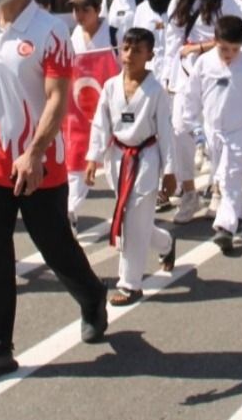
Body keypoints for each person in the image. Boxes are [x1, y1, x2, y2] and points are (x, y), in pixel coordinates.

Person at [0, 0, 107, 388]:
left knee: (54, 245)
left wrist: (36, 150)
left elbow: (58, 97)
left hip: (38, 163)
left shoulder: (49, 31)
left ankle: (92, 296)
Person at [84, 27, 177, 306]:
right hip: (118, 159)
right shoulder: (111, 86)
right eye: (126, 48)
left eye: (137, 50)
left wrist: (170, 171)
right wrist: (93, 157)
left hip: (146, 159)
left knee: (131, 223)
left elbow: (166, 131)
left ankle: (130, 284)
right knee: (135, 222)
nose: (129, 55)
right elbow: (101, 124)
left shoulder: (156, 91)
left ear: (149, 55)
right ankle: (165, 243)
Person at [182, 15, 242, 254]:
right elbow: (192, 95)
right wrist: (192, 124)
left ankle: (225, 228)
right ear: (215, 41)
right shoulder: (203, 63)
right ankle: (238, 212)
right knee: (220, 174)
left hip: (240, 131)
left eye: (235, 49)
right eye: (224, 48)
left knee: (229, 177)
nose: (229, 53)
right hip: (213, 131)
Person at [162, 0, 242, 224]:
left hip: (216, 74)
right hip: (183, 77)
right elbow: (171, 45)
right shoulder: (177, 3)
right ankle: (188, 192)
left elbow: (234, 36)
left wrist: (200, 46)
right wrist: (168, 77)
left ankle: (219, 190)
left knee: (215, 133)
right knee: (179, 131)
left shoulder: (225, 2)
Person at [67, 0, 116, 223]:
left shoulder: (114, 34)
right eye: (75, 10)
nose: (79, 15)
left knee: (116, 167)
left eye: (84, 10)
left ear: (97, 10)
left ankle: (129, 213)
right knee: (75, 163)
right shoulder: (72, 38)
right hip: (79, 113)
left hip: (111, 112)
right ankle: (70, 212)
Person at [131, 0, 176, 72]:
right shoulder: (142, 9)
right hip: (148, 72)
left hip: (175, 71)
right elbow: (137, 41)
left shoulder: (179, 7)